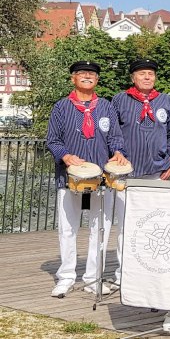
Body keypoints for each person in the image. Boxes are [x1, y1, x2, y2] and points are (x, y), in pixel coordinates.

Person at [46, 61, 129, 297]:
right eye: (81, 73)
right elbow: (52, 140)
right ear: (73, 78)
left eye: (91, 74)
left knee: (99, 229)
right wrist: (65, 156)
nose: (87, 76)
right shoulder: (61, 107)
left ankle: (93, 278)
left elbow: (115, 136)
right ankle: (66, 277)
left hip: (101, 179)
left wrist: (118, 152)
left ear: (97, 80)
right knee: (67, 229)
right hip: (69, 177)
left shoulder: (106, 106)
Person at [110, 58, 170, 287]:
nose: (147, 77)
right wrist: (117, 152)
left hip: (157, 172)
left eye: (151, 73)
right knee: (126, 224)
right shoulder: (120, 100)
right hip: (126, 173)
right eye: (142, 74)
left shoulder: (165, 101)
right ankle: (124, 273)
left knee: (154, 224)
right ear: (133, 78)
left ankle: (150, 269)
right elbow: (112, 132)